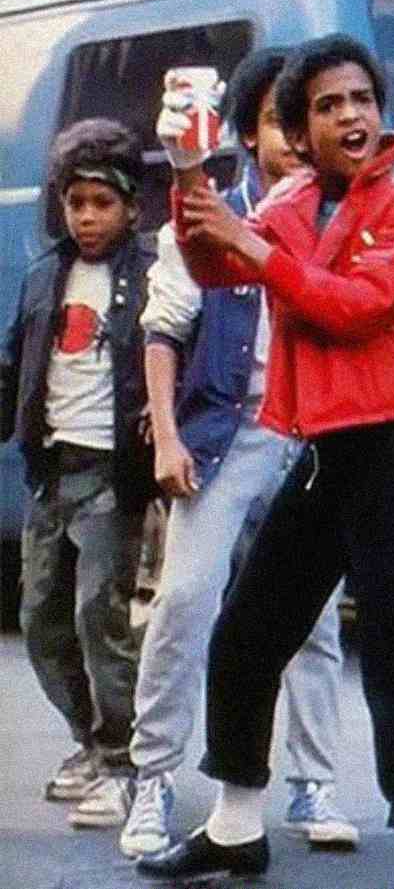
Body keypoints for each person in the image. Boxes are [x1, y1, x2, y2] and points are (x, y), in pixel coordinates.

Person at [135, 33, 394, 889]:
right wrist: (187, 170)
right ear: (299, 126)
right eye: (329, 105)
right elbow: (212, 262)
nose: (351, 115)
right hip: (325, 445)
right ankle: (236, 825)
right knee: (249, 634)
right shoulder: (292, 198)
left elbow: (355, 307)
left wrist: (252, 247)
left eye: (361, 98)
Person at [119, 48, 355, 858]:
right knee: (185, 601)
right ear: (249, 136)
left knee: (316, 617)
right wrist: (169, 436)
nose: (293, 142)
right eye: (278, 126)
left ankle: (314, 780)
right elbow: (162, 329)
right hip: (226, 433)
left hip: (309, 432)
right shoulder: (212, 212)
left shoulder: (335, 215)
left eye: (304, 125)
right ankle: (150, 776)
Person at [0, 119, 156, 830]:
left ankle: (124, 759)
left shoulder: (150, 275)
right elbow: (14, 368)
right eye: (75, 202)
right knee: (40, 618)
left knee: (102, 613)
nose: (87, 216)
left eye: (102, 202)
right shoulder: (43, 276)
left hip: (111, 473)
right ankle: (89, 739)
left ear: (130, 206)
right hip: (51, 469)